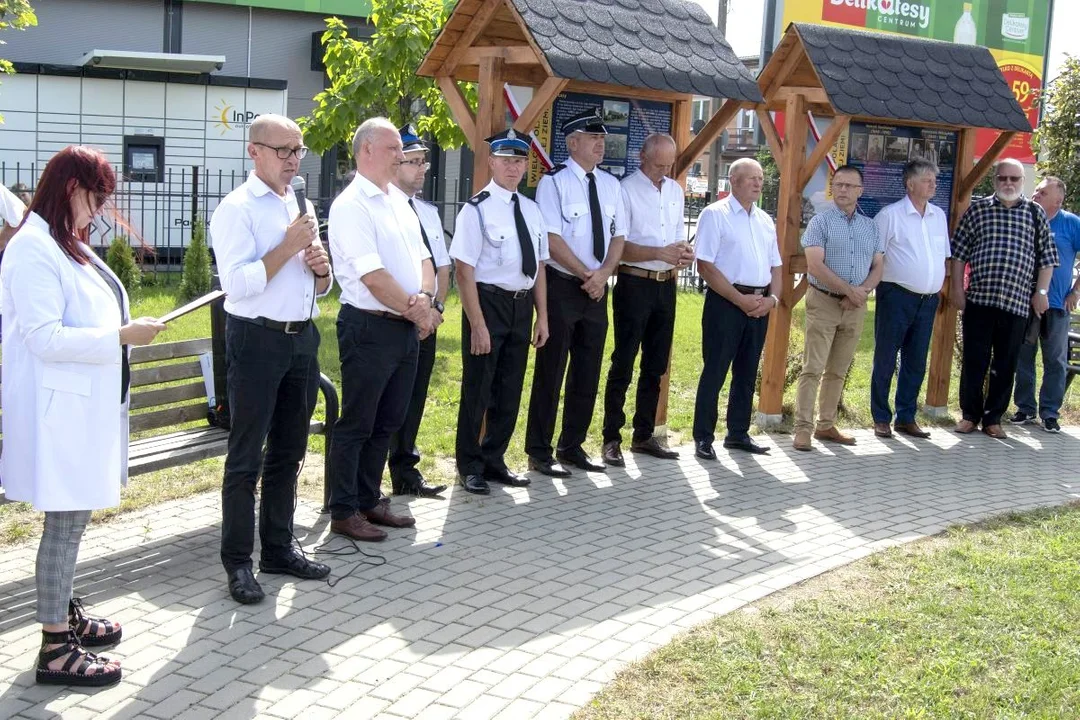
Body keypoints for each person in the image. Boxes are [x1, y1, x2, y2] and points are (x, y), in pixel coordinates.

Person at [2, 145, 165, 685]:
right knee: (64, 525)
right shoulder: (31, 248)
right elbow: (44, 337)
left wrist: (123, 329)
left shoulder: (66, 244)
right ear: (71, 188)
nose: (101, 209)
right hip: (58, 416)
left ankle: (64, 613)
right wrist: (121, 335)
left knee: (73, 520)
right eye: (98, 197)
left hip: (81, 409)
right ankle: (54, 647)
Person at [210, 114, 333, 604]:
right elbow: (235, 287)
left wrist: (322, 272)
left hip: (301, 338)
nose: (292, 160)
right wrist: (286, 248)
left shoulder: (301, 203)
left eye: (298, 151)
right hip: (256, 340)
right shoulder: (236, 209)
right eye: (283, 151)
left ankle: (279, 548)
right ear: (253, 151)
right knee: (246, 459)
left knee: (290, 450)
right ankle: (238, 564)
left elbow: (319, 285)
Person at [327, 117, 438, 540]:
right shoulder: (351, 205)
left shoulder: (397, 201)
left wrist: (426, 301)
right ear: (366, 150)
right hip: (369, 327)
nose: (402, 156)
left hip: (403, 328)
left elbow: (424, 260)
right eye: (394, 149)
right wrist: (418, 312)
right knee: (358, 422)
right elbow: (371, 277)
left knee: (388, 421)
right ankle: (343, 509)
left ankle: (369, 499)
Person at [525, 107, 627, 476]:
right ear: (573, 142)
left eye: (602, 138)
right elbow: (550, 239)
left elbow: (619, 236)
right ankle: (539, 450)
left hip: (597, 290)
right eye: (593, 138)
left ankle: (572, 445)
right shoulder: (554, 183)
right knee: (551, 371)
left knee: (588, 369)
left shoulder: (612, 184)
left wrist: (603, 275)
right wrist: (588, 273)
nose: (601, 144)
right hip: (564, 287)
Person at [451, 129, 549, 494]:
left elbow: (539, 267)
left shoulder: (532, 210)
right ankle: (469, 465)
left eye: (519, 161)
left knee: (509, 388)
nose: (513, 167)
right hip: (487, 304)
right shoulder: (475, 209)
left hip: (522, 305)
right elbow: (464, 270)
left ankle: (494, 459)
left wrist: (544, 316)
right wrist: (477, 324)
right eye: (506, 160)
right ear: (491, 162)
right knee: (478, 389)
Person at [600, 133, 691, 467]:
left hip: (666, 284)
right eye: (658, 165)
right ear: (642, 157)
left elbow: (676, 236)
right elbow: (619, 246)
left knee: (656, 364)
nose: (663, 172)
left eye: (669, 166)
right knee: (623, 361)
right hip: (634, 282)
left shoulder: (674, 190)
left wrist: (682, 253)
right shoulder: (626, 190)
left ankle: (644, 434)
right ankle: (611, 437)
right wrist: (657, 252)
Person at [951, 159, 1057, 439]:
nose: (1008, 183)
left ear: (1023, 182)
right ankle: (969, 416)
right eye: (1003, 178)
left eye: (1014, 179)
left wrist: (1041, 293)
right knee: (975, 360)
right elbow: (959, 253)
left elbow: (1047, 259)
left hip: (1016, 303)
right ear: (995, 180)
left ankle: (993, 419)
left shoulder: (1035, 214)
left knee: (1006, 363)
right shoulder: (977, 210)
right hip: (980, 301)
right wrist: (957, 290)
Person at [691, 157, 782, 458]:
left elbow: (776, 266)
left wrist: (773, 300)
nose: (758, 183)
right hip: (726, 304)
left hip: (759, 304)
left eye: (760, 178)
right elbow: (705, 264)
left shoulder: (765, 220)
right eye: (751, 178)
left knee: (746, 371)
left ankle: (738, 433)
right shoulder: (715, 215)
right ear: (734, 181)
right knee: (715, 371)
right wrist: (739, 300)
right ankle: (704, 436)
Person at [793, 166, 883, 450]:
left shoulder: (870, 226)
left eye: (849, 186)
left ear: (860, 191)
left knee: (838, 370)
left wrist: (862, 292)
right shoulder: (821, 222)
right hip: (824, 302)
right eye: (838, 184)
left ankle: (826, 425)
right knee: (813, 368)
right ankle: (802, 429)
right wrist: (850, 291)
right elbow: (815, 265)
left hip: (855, 307)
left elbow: (879, 266)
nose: (842, 190)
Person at [387, 123, 451, 497]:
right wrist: (416, 312)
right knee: (386, 401)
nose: (422, 169)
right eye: (414, 162)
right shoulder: (385, 209)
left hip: (428, 321)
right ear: (395, 164)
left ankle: (406, 472)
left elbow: (442, 266)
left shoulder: (427, 212)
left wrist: (437, 309)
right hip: (395, 319)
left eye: (424, 162)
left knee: (415, 397)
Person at [870, 158, 950, 439]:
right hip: (896, 296)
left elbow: (944, 256)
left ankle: (906, 416)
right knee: (886, 357)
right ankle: (881, 417)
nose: (933, 184)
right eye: (927, 179)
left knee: (916, 360)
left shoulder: (938, 215)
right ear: (910, 184)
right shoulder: (890, 216)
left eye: (935, 180)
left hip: (928, 300)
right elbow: (876, 257)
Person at [1011, 177, 1080, 433]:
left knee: (1055, 361)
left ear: (1058, 200)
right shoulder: (1025, 218)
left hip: (1057, 306)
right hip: (1024, 303)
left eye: (1042, 192)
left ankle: (1050, 413)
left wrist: (1075, 291)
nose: (1035, 194)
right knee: (1023, 358)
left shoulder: (1071, 223)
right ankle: (1025, 408)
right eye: (1036, 190)